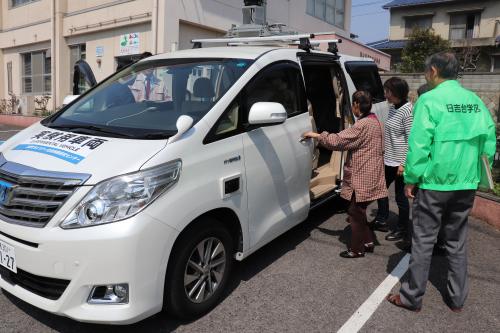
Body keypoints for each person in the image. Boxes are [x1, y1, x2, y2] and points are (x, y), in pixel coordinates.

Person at [387, 52, 496, 312]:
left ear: (433, 71)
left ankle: (412, 297)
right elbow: (488, 143)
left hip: (434, 183)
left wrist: (411, 179)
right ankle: (457, 299)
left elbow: (419, 145)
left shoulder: (428, 100)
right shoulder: (474, 101)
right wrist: (479, 177)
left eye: (427, 71)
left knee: (423, 240)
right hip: (465, 183)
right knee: (457, 242)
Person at [303, 91, 388, 258]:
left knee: (355, 213)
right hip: (371, 172)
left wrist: (317, 135)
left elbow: (337, 141)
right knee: (359, 211)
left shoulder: (361, 125)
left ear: (356, 104)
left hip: (362, 174)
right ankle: (368, 241)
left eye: (353, 104)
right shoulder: (374, 120)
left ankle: (356, 250)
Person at [371, 78, 413, 247]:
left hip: (400, 162)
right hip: (388, 158)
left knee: (401, 198)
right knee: (380, 189)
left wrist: (404, 163)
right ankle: (381, 219)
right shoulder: (392, 108)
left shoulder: (408, 111)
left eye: (388, 91)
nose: (385, 94)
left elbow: (411, 140)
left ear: (396, 92)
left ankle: (402, 229)